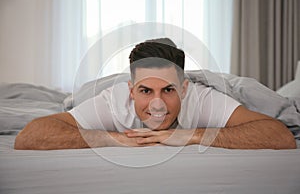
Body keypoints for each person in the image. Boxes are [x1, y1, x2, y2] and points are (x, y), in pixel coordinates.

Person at [14, 38, 296, 150]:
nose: (157, 104)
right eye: (146, 91)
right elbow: (29, 136)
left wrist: (192, 134)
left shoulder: (202, 99)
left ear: (184, 89)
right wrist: (114, 138)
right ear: (131, 91)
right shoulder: (113, 101)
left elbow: (281, 136)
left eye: (169, 90)